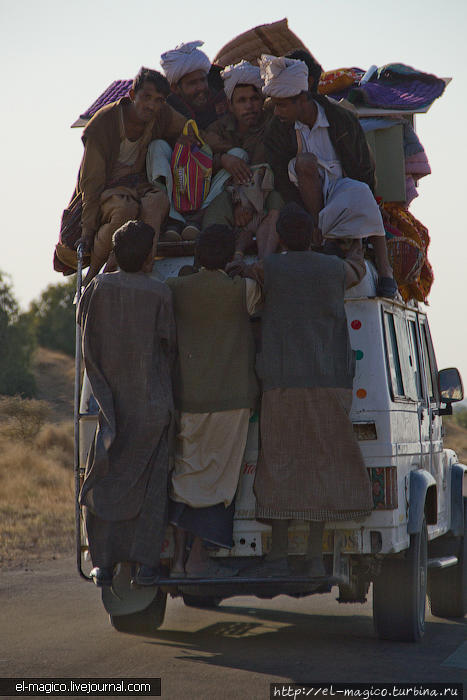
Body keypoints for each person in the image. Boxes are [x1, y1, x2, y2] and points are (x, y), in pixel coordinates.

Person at [236, 203, 373, 578]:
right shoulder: (333, 269)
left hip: (280, 381)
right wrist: (356, 245)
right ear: (314, 237)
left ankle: (279, 553)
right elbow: (358, 271)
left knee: (278, 461)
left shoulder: (270, 268)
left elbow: (249, 272)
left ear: (280, 237)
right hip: (330, 379)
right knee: (323, 461)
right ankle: (314, 554)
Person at [78, 220, 176, 587]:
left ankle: (102, 562)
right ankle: (147, 563)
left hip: (107, 404)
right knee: (151, 490)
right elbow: (169, 344)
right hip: (151, 406)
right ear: (150, 256)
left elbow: (80, 321)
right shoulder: (160, 293)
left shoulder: (97, 289)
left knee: (101, 481)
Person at [166, 225, 261, 578]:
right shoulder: (242, 291)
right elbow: (261, 292)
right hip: (232, 401)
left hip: (188, 399)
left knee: (184, 478)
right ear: (226, 258)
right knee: (218, 485)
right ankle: (198, 560)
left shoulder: (176, 288)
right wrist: (242, 263)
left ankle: (177, 560)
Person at [260, 54, 397, 298]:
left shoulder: (341, 119)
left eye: (282, 105)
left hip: (344, 187)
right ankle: (320, 232)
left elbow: (363, 169)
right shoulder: (276, 131)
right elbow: (282, 179)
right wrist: (308, 219)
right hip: (305, 197)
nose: (277, 111)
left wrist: (359, 197)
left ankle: (386, 271)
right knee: (305, 162)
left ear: (302, 99)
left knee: (363, 194)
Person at [75, 66, 187, 285]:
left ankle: (146, 268)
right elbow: (91, 182)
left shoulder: (161, 114)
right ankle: (97, 278)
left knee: (158, 201)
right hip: (107, 192)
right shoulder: (103, 124)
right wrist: (87, 229)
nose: (152, 105)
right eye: (146, 97)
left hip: (140, 187)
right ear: (132, 95)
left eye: (158, 100)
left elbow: (189, 129)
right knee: (126, 209)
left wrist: (186, 138)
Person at [203, 60, 284, 257]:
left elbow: (263, 168)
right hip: (229, 194)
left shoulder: (272, 125)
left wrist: (245, 202)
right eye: (242, 101)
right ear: (230, 105)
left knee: (278, 202)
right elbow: (202, 161)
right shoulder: (217, 129)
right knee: (214, 219)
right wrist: (223, 160)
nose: (249, 106)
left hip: (264, 193)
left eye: (254, 99)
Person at [160, 40, 228, 129]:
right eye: (192, 83)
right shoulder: (167, 115)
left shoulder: (225, 101)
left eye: (203, 80)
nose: (201, 87)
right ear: (175, 88)